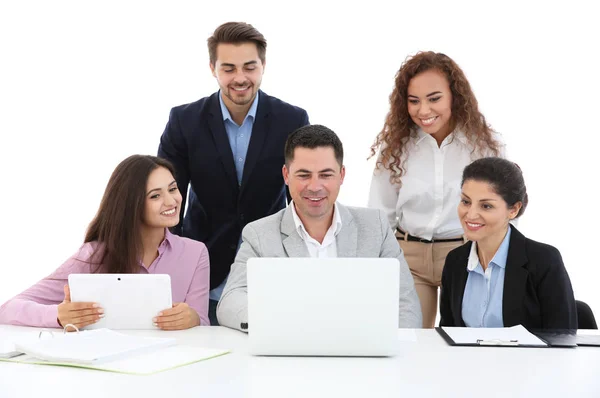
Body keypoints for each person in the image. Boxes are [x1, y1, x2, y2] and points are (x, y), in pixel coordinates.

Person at [158, 22, 309, 325]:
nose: (240, 78)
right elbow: (165, 199)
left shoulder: (292, 119)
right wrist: (171, 268)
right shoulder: (184, 121)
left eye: (249, 67)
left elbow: (304, 194)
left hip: (271, 270)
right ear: (212, 68)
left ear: (263, 66)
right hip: (204, 271)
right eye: (228, 68)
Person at [217, 125, 422, 331]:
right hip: (290, 351)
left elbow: (405, 303)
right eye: (304, 175)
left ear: (341, 175)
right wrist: (277, 323)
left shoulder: (375, 226)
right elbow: (230, 302)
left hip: (360, 353)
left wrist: (395, 352)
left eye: (325, 175)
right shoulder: (259, 234)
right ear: (286, 175)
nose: (315, 186)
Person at [368, 51, 505, 328]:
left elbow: (503, 207)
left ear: (454, 95)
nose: (424, 111)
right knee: (409, 342)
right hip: (409, 257)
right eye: (414, 101)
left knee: (465, 345)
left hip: (465, 254)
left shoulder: (486, 145)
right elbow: (379, 213)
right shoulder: (396, 147)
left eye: (434, 98)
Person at [0, 155, 210, 329]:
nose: (172, 201)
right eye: (155, 196)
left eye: (173, 189)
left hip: (171, 367)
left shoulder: (195, 253)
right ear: (131, 205)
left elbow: (203, 324)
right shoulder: (94, 255)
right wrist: (58, 315)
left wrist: (192, 319)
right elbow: (8, 309)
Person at [439, 157, 577, 329]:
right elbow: (448, 332)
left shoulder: (544, 261)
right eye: (466, 202)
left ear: (513, 210)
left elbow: (562, 338)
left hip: (528, 357)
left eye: (486, 206)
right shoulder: (455, 261)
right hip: (469, 357)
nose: (471, 214)